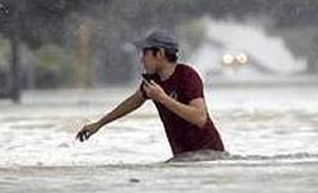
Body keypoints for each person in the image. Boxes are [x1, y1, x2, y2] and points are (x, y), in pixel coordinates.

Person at [76, 30, 225, 156]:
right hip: (182, 156)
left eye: (145, 54)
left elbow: (200, 117)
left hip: (208, 155)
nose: (141, 60)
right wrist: (99, 124)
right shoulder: (152, 81)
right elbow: (131, 103)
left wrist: (163, 98)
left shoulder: (187, 75)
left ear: (159, 53)